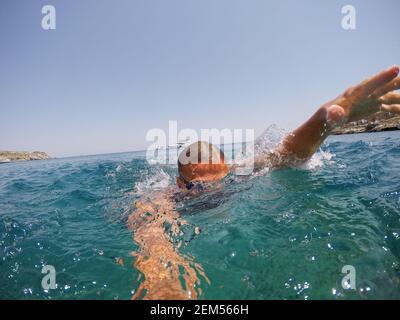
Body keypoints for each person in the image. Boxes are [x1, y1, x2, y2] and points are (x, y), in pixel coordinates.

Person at [128, 65, 400, 299]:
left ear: (228, 170)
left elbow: (287, 156)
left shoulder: (237, 171)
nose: (212, 194)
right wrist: (163, 280)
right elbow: (150, 232)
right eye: (199, 187)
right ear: (179, 184)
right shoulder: (161, 197)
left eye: (219, 183)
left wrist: (323, 123)